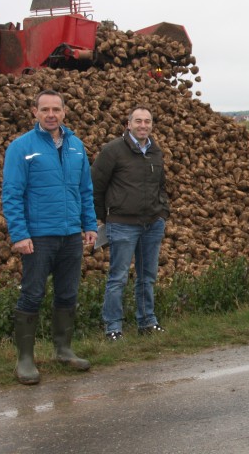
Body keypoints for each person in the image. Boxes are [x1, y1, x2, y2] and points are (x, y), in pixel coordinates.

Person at [2, 89, 98, 384]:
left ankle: (63, 349)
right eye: (45, 109)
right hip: (39, 236)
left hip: (71, 235)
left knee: (68, 293)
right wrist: (19, 233)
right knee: (32, 293)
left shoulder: (76, 146)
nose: (51, 114)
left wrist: (90, 225)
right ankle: (25, 359)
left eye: (56, 109)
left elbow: (85, 190)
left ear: (65, 112)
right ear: (35, 112)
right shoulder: (21, 147)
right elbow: (12, 194)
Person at [91, 106, 170, 341]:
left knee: (147, 276)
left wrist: (162, 211)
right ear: (128, 124)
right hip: (123, 224)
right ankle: (113, 327)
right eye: (138, 121)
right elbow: (95, 185)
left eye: (147, 121)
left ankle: (147, 322)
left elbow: (161, 185)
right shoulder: (113, 150)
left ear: (152, 125)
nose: (143, 125)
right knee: (118, 278)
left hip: (152, 223)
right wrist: (106, 217)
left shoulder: (155, 151)